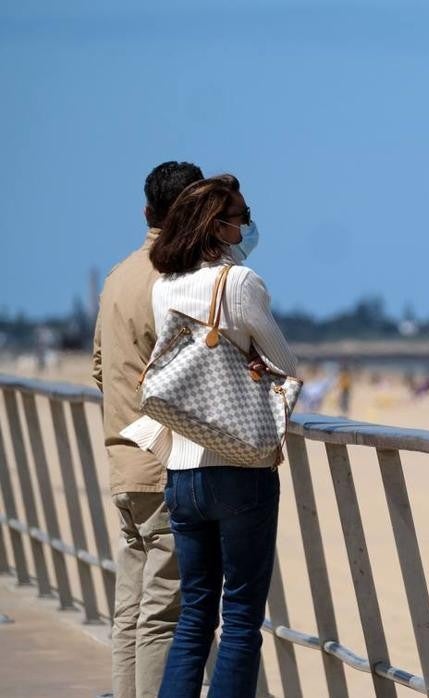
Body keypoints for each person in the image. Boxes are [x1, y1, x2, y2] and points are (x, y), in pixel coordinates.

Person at [125, 174, 297, 698]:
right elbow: (284, 363)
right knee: (242, 617)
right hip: (239, 468)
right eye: (241, 216)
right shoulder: (240, 282)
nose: (247, 224)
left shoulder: (166, 285)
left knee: (195, 613)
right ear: (216, 226)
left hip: (182, 467)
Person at [92, 160, 203, 698]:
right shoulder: (178, 283)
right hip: (165, 466)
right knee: (165, 613)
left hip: (123, 461)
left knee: (131, 611)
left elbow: (99, 367)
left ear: (146, 212)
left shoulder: (118, 275)